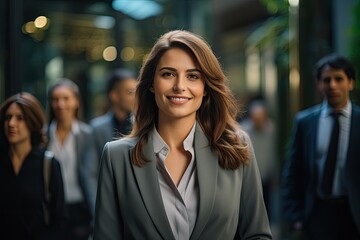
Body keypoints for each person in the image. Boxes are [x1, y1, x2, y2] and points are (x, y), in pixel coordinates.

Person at [93, 30, 272, 240]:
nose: (179, 86)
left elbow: (257, 235)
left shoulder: (236, 147)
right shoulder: (116, 157)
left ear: (205, 87)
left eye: (193, 76)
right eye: (168, 74)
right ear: (151, 83)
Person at [282, 54, 360, 240]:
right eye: (326, 80)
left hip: (354, 214)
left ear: (350, 83)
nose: (332, 85)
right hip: (316, 214)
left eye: (339, 79)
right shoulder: (305, 122)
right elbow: (293, 171)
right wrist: (296, 216)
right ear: (319, 85)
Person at [0, 92, 65, 240]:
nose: (11, 123)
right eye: (8, 117)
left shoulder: (48, 163)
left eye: (20, 118)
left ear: (32, 122)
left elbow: (59, 220)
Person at [47, 79, 98, 239]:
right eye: (55, 99)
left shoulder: (88, 134)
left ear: (76, 102)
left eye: (66, 98)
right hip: (51, 207)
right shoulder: (43, 136)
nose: (60, 104)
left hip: (79, 208)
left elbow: (93, 174)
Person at [240, 99, 279, 223]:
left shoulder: (271, 129)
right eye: (256, 117)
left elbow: (273, 153)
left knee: (266, 208)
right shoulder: (243, 130)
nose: (259, 120)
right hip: (248, 178)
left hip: (265, 177)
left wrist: (274, 174)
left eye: (261, 117)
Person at [90, 68, 137, 160]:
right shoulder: (97, 128)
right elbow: (90, 170)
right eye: (130, 92)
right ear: (114, 95)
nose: (135, 97)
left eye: (136, 92)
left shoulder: (142, 125)